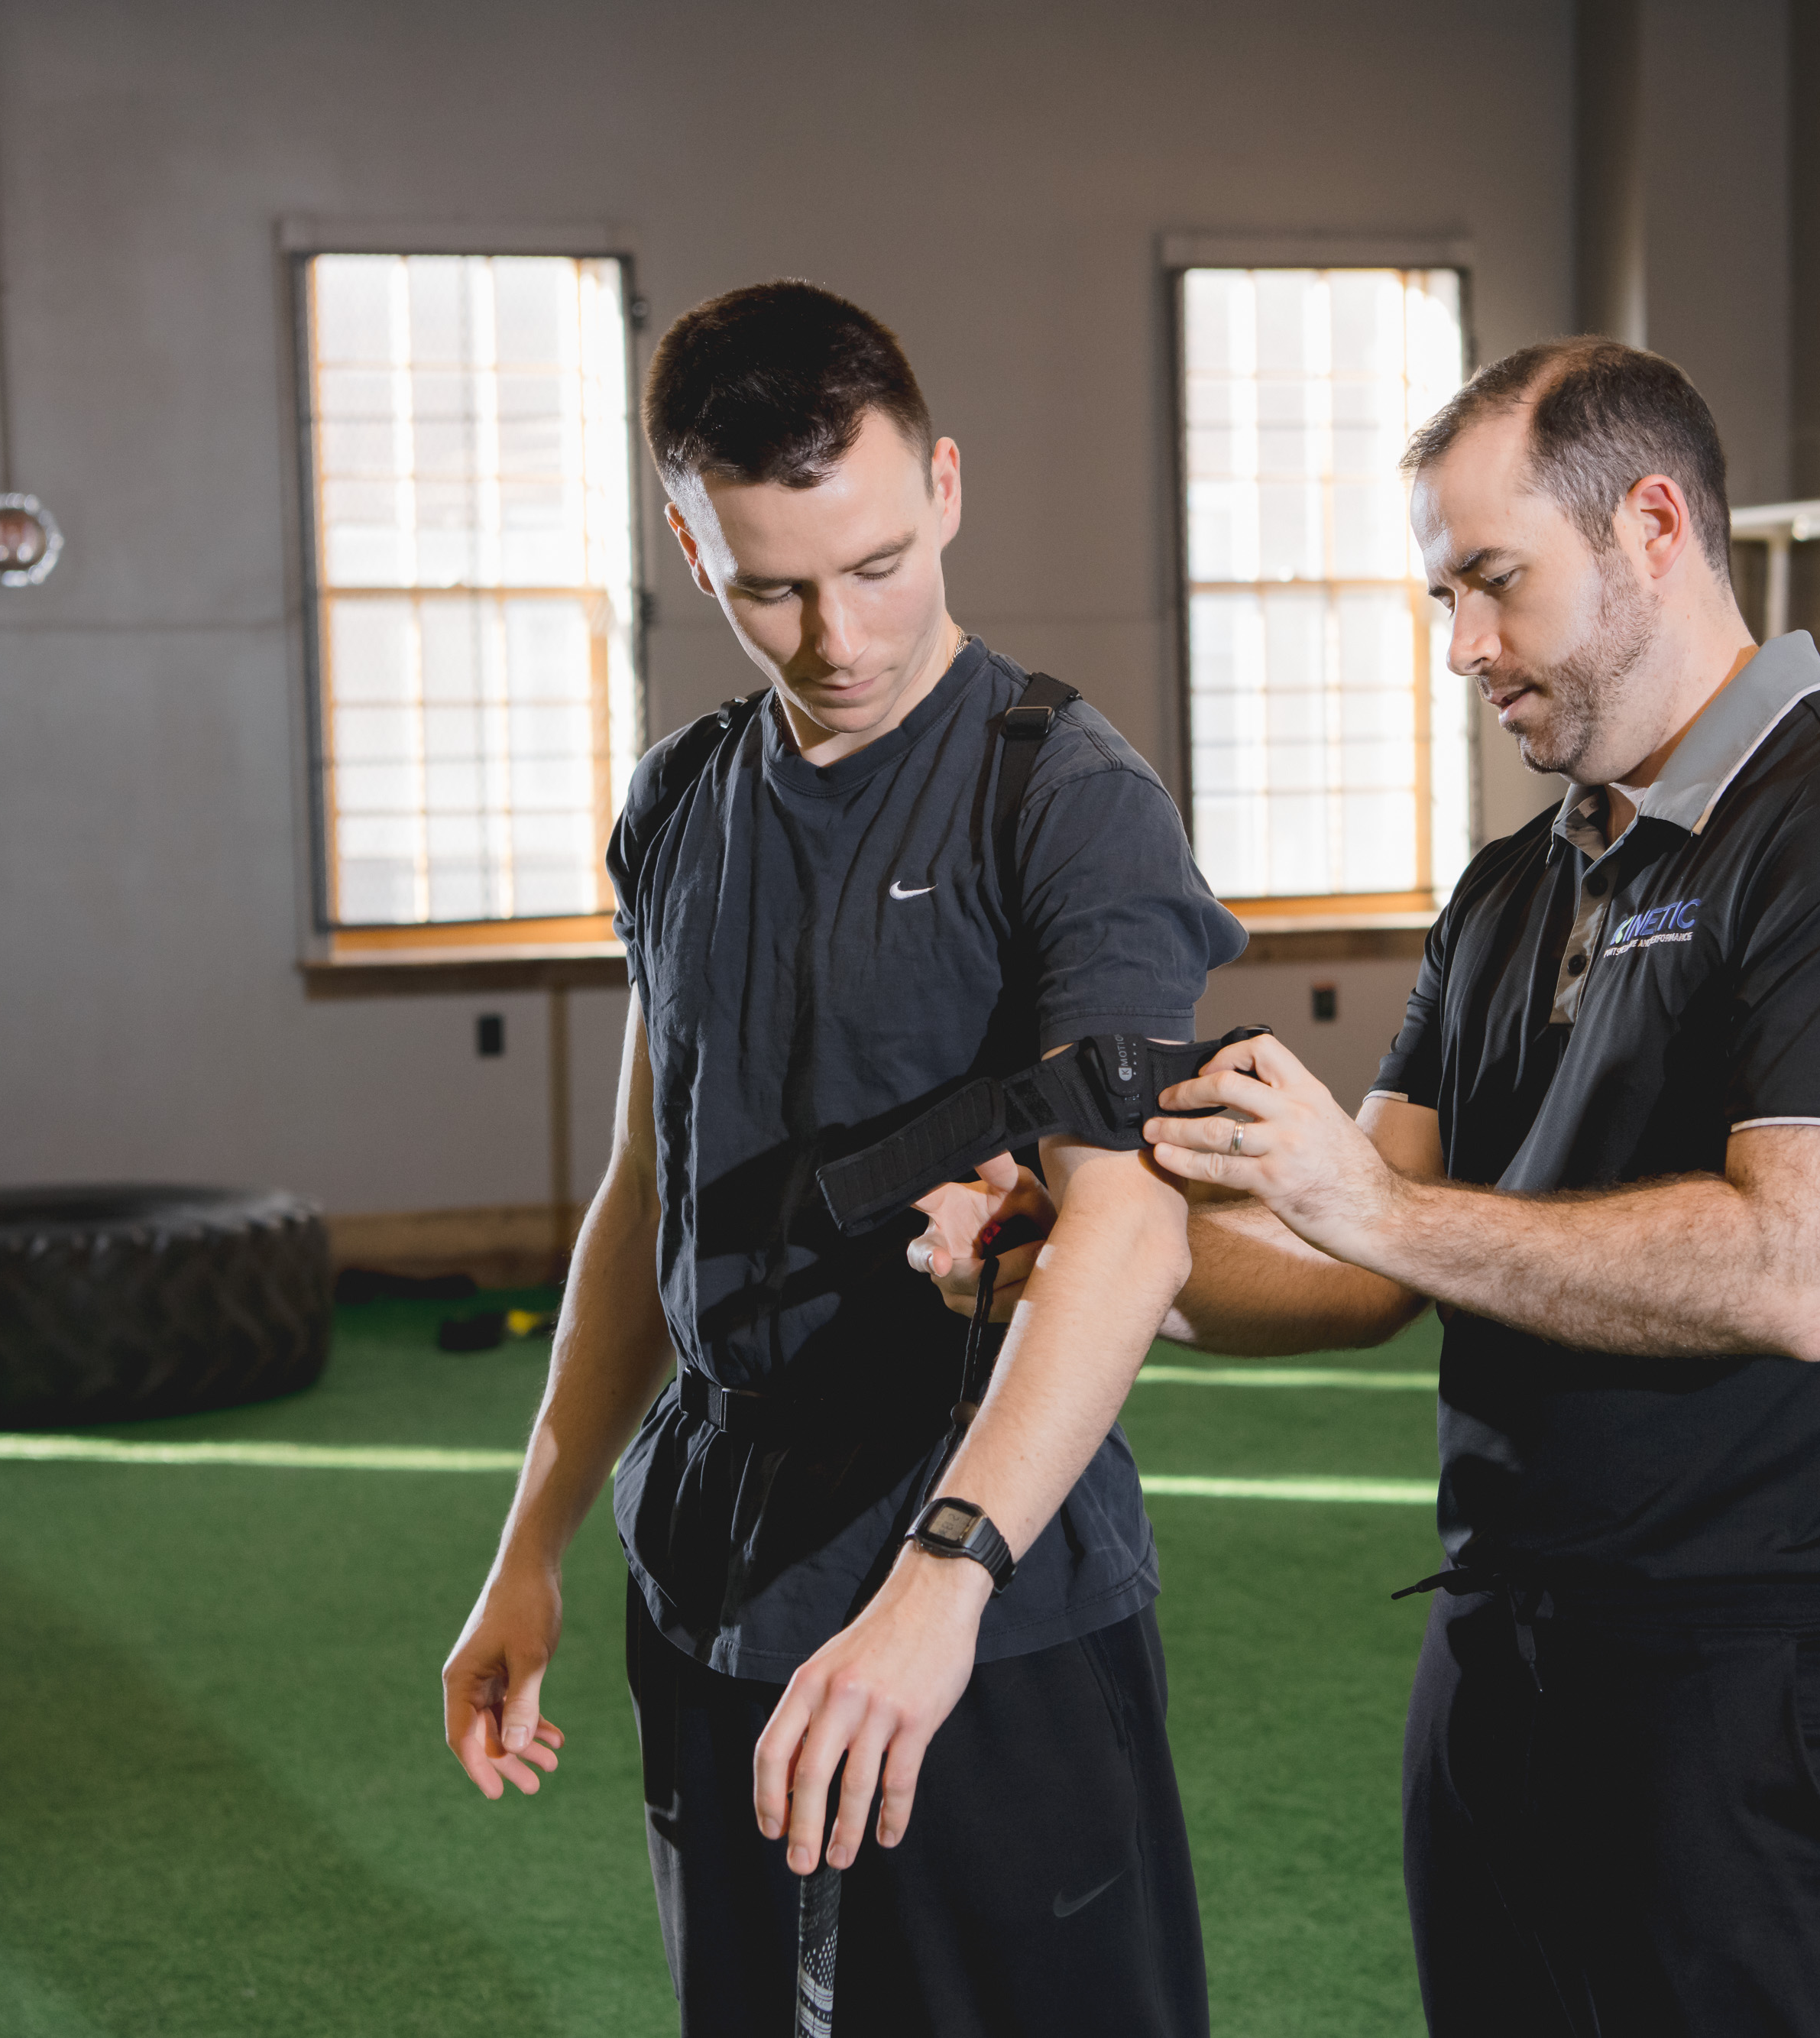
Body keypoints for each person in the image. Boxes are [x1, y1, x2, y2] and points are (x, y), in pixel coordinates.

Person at [923, 338, 1820, 2036]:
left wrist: (1361, 1203)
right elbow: (1355, 1266)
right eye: (1443, 598)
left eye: (1492, 585)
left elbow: (1802, 1266)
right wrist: (1078, 1251)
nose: (1462, 650)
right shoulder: (1515, 887)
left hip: (1769, 1677)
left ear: (1651, 525)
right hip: (1506, 1650)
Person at [439, 280, 1236, 2036]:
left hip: (986, 1590)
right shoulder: (673, 801)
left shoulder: (1064, 794)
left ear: (942, 484)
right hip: (714, 1579)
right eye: (772, 586)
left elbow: (1126, 1234)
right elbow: (649, 1194)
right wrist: (533, 1541)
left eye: (876, 563)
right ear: (686, 539)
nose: (838, 635)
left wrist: (938, 1586)